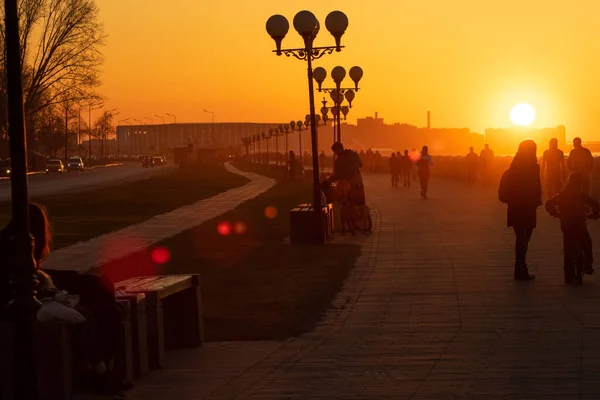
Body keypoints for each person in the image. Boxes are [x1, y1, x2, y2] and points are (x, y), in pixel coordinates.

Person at [0, 204, 131, 395]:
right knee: (95, 296)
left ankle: (99, 373)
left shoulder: (9, 242)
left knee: (98, 290)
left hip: (31, 288)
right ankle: (103, 373)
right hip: (18, 298)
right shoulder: (14, 245)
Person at [498, 139, 542, 280]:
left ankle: (521, 269)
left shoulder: (514, 166)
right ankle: (520, 270)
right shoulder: (534, 167)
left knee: (522, 239)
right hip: (526, 208)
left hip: (517, 208)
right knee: (524, 240)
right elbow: (537, 186)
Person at [545, 172, 599, 282]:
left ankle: (568, 275)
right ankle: (588, 264)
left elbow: (549, 203)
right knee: (587, 242)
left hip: (566, 224)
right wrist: (594, 215)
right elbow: (595, 204)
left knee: (568, 247)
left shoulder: (563, 194)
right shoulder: (581, 194)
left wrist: (556, 214)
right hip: (579, 224)